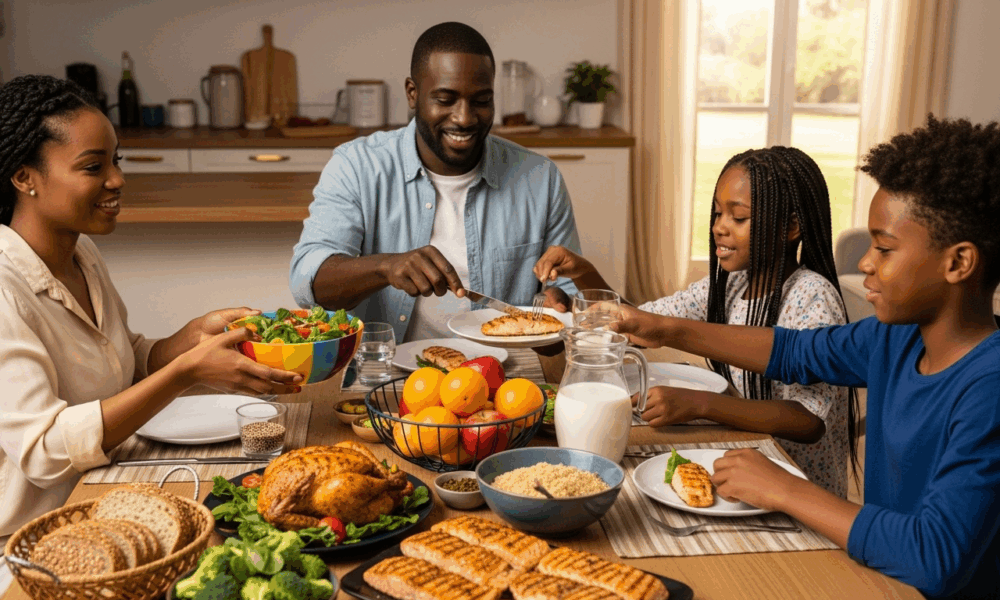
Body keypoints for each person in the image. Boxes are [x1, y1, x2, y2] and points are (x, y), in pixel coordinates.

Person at [611, 115, 1000, 600]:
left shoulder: (989, 388)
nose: (864, 263)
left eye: (883, 248)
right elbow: (792, 350)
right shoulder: (895, 340)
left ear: (958, 262)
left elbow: (933, 557)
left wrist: (784, 489)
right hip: (875, 570)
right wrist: (663, 327)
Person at [0, 74, 302, 584]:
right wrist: (185, 372)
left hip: (106, 507)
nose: (117, 179)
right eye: (93, 167)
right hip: (34, 552)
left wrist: (193, 337)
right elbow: (44, 450)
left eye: (117, 161)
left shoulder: (81, 254)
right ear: (25, 177)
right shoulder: (5, 288)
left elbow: (122, 362)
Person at [535, 146, 855, 497]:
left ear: (791, 226)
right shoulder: (733, 284)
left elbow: (808, 421)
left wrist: (702, 404)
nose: (720, 227)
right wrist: (584, 272)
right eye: (718, 214)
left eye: (739, 217)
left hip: (799, 486)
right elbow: (644, 325)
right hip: (748, 463)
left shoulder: (812, 295)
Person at [289, 22, 580, 343]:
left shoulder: (540, 177)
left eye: (481, 100)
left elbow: (566, 289)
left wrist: (557, 301)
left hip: (507, 380)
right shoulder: (357, 166)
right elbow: (308, 283)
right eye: (445, 99)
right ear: (412, 94)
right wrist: (386, 267)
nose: (464, 117)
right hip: (386, 377)